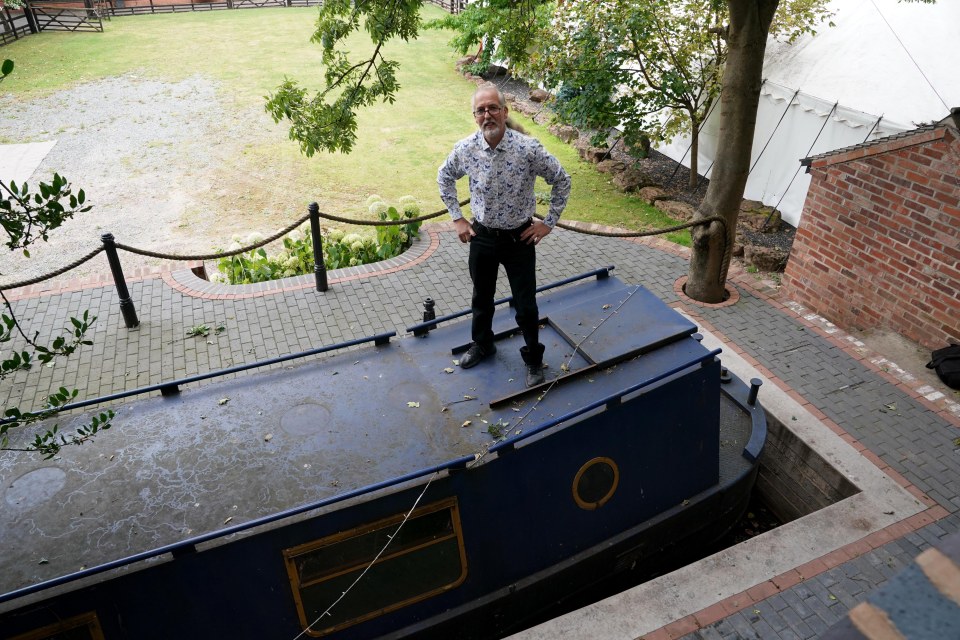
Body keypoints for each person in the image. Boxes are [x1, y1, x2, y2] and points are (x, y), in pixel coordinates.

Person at [437, 82, 571, 387]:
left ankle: (534, 359)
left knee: (526, 304)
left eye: (493, 108)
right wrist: (457, 219)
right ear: (475, 116)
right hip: (482, 236)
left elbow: (562, 180)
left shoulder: (528, 149)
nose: (487, 115)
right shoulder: (466, 149)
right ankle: (482, 343)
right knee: (481, 299)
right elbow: (443, 177)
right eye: (481, 110)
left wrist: (548, 223)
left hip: (519, 239)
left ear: (504, 111)